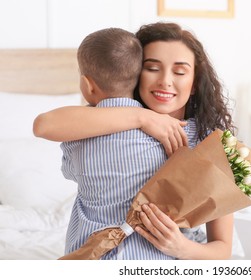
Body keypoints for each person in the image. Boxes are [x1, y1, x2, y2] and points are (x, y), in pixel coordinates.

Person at [33, 22, 235, 260]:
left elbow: (222, 249)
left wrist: (180, 246)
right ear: (134, 73)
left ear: (194, 83)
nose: (165, 81)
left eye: (179, 72)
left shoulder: (210, 143)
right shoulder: (98, 122)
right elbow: (45, 124)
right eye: (152, 68)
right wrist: (142, 118)